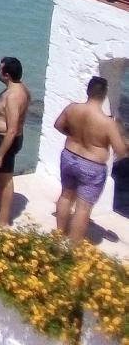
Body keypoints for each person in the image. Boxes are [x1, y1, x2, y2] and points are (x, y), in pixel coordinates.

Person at [54, 77, 128, 242]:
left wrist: (75, 136)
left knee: (65, 196)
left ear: (88, 91)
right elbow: (121, 151)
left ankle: (58, 236)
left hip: (69, 156)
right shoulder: (108, 123)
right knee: (83, 208)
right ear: (104, 95)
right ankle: (72, 249)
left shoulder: (72, 108)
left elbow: (58, 125)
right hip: (91, 165)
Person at [0, 56, 30, 227]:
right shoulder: (23, 89)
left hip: (5, 140)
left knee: (5, 179)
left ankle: (3, 220)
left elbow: (11, 129)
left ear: (6, 75)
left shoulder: (13, 96)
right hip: (4, 139)